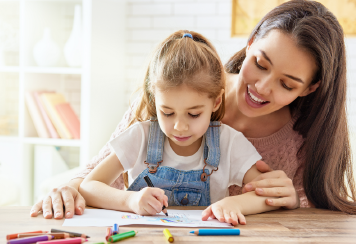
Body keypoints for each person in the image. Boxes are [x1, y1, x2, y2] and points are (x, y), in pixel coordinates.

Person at [31, 0, 356, 220]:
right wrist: (67, 189)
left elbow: (305, 221)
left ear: (310, 88)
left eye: (287, 84)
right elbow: (96, 175)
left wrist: (290, 200)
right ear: (251, 41)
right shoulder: (176, 89)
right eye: (260, 64)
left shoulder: (299, 139)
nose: (263, 87)